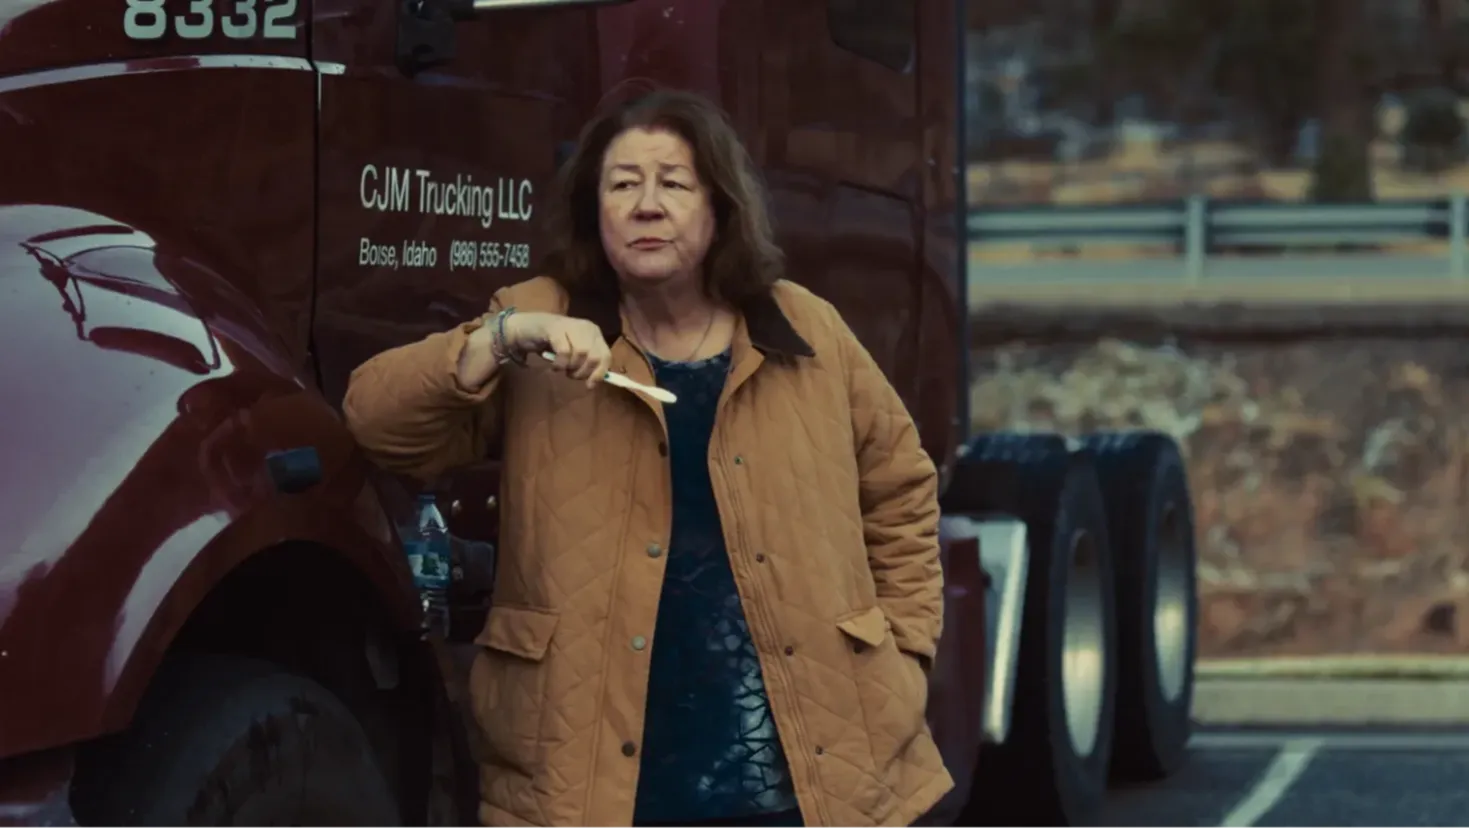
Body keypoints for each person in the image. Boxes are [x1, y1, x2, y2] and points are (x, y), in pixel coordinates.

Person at [343, 89, 952, 828]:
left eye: (673, 183)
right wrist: (498, 338)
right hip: (591, 771)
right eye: (622, 184)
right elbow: (377, 425)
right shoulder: (544, 319)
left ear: (719, 205)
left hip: (800, 764)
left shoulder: (802, 325)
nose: (646, 205)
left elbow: (901, 489)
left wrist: (906, 653)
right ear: (592, 209)